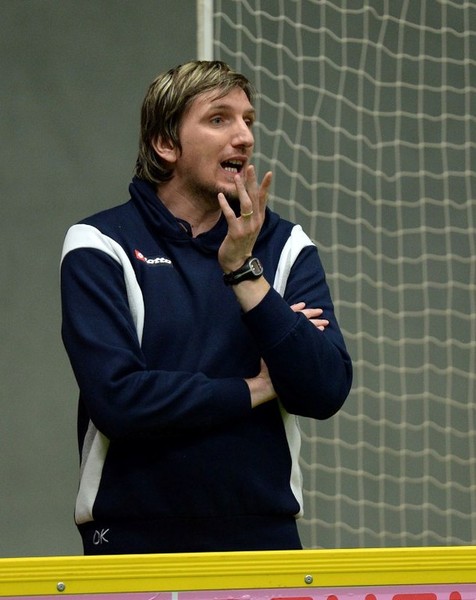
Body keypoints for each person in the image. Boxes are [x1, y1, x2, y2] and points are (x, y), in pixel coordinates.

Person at [60, 60, 352, 555]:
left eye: (248, 121)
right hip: (130, 539)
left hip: (263, 537)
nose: (244, 137)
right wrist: (258, 387)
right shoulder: (99, 243)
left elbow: (323, 389)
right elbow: (119, 401)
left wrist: (244, 274)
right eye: (220, 119)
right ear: (166, 143)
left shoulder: (285, 245)